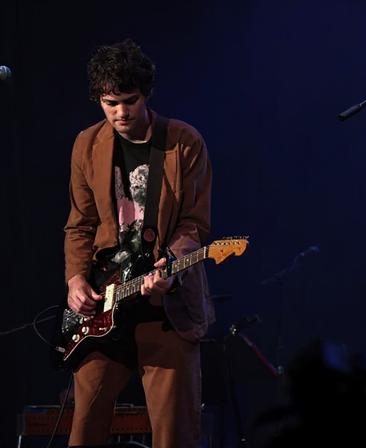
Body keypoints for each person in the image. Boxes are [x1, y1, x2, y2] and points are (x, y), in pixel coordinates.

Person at [63, 39, 212, 447]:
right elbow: (80, 223)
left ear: (146, 94)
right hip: (106, 300)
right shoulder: (86, 144)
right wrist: (76, 278)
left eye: (129, 101)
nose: (121, 113)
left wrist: (171, 268)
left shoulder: (184, 142)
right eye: (110, 103)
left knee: (173, 433)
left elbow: (194, 225)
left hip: (166, 307)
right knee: (84, 428)